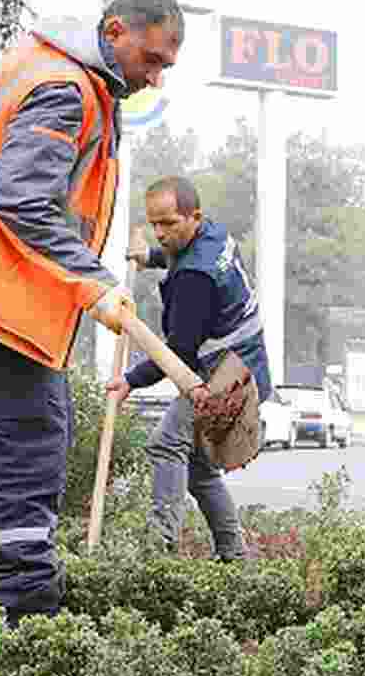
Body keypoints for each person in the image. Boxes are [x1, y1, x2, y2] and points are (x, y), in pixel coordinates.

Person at [0, 0, 184, 625]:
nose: (154, 75)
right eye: (151, 57)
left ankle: (28, 598)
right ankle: (27, 619)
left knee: (39, 431)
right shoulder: (64, 87)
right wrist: (92, 284)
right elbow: (21, 202)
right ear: (115, 32)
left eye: (165, 66)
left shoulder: (57, 69)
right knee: (25, 443)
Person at [109, 176, 272, 559]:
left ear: (193, 216)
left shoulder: (193, 280)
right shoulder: (214, 235)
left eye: (168, 223)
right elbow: (179, 253)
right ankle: (235, 557)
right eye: (154, 224)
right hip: (249, 364)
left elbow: (178, 354)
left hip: (228, 378)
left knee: (165, 445)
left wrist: (131, 381)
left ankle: (158, 552)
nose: (160, 233)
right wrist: (148, 257)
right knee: (198, 466)